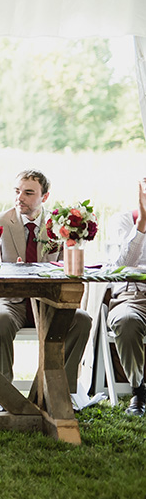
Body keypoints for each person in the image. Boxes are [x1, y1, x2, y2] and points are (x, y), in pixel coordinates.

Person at [0, 170, 92, 407]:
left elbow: (66, 268)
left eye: (29, 193)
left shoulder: (60, 225)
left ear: (45, 197)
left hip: (45, 301)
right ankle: (4, 393)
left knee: (81, 320)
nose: (20, 197)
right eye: (17, 191)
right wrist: (12, 272)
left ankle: (61, 392)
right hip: (9, 299)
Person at [106, 178, 146, 416]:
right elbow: (121, 269)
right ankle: (138, 390)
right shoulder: (122, 221)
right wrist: (141, 225)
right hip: (132, 295)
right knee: (125, 321)